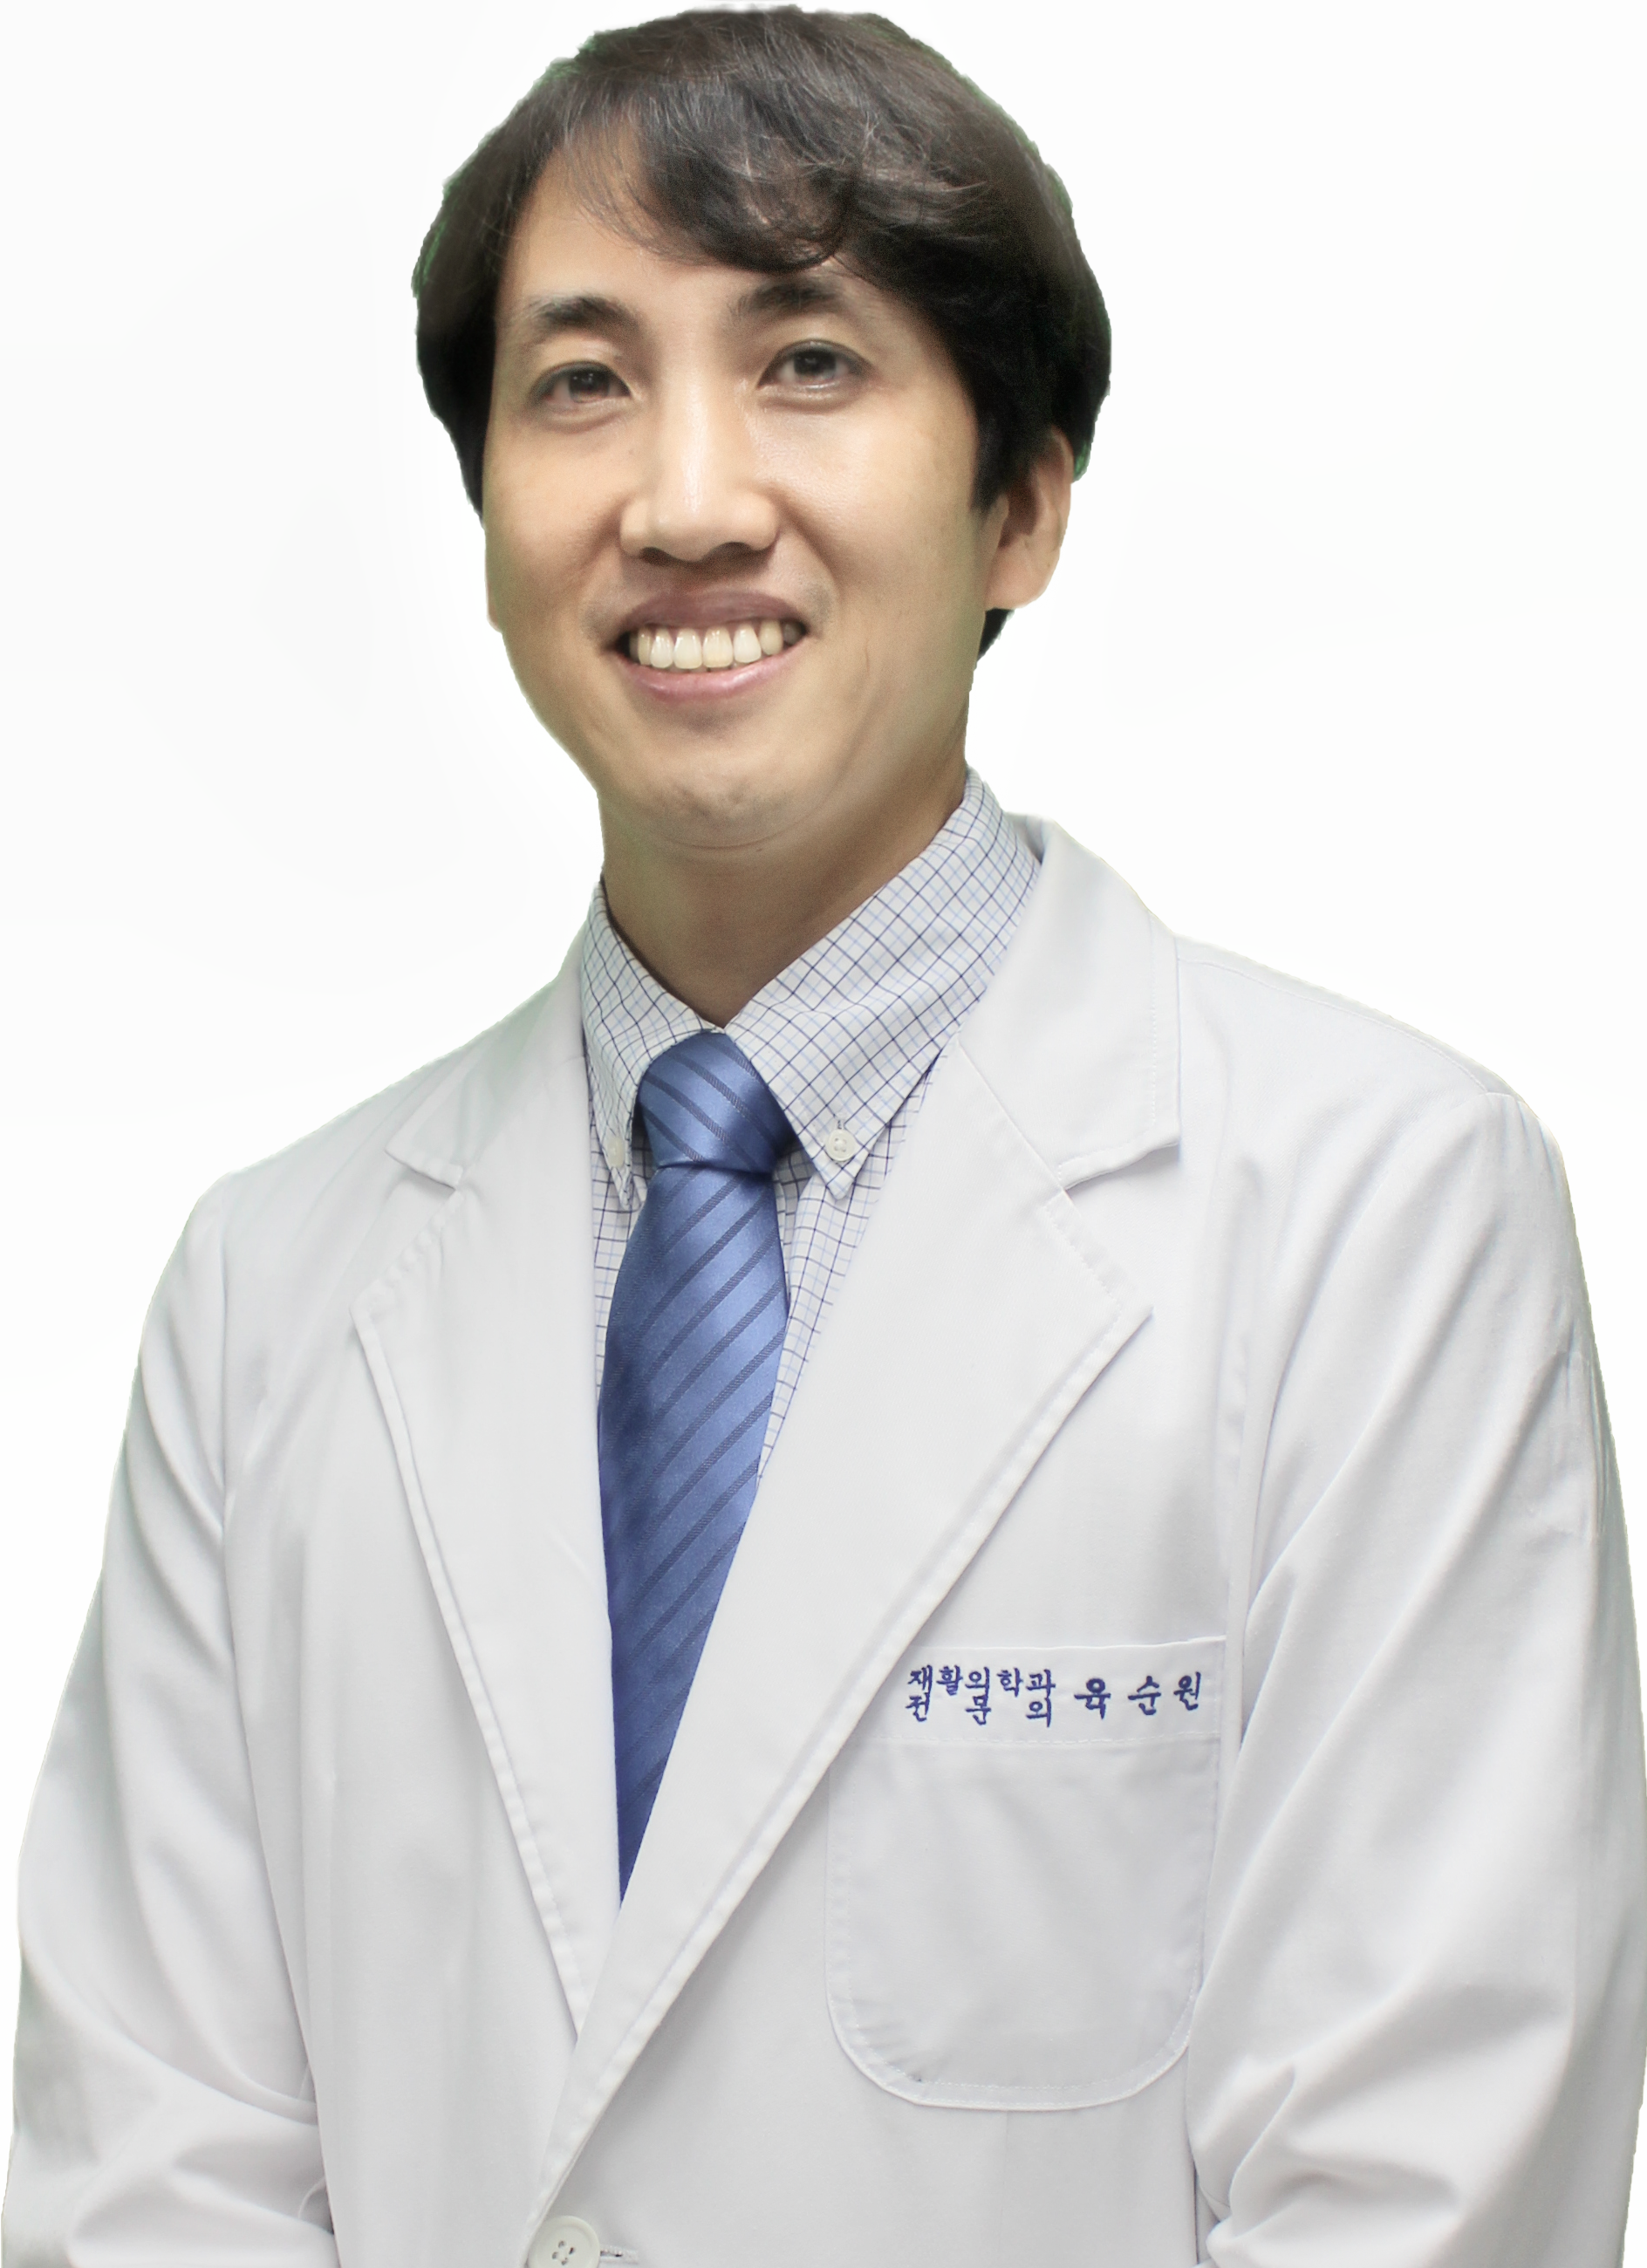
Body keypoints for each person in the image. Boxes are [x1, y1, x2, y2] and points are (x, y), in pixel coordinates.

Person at [5, 9, 1643, 2266]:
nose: (686, 500)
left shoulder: (1382, 1219)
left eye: (806, 363)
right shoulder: (262, 1293)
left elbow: (1422, 2197)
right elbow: (152, 2174)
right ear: (485, 515)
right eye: (584, 381)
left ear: (1022, 504)